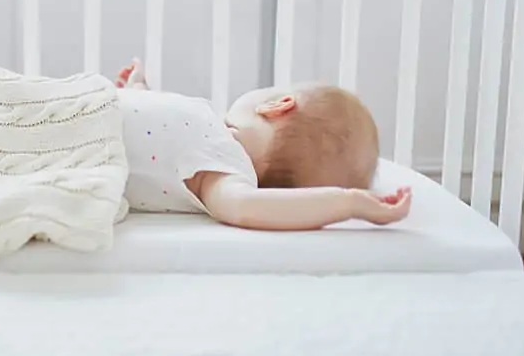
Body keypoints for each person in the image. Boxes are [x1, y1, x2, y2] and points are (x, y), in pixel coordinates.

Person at [113, 58, 412, 230]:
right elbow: (159, 130)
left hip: (81, 145)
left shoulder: (224, 169)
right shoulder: (213, 126)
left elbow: (243, 208)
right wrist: (138, 91)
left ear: (278, 105)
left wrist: (347, 203)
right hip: (88, 106)